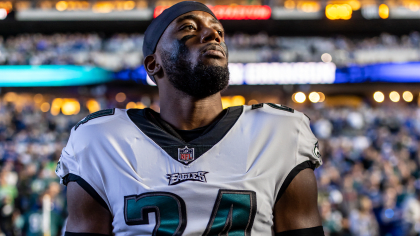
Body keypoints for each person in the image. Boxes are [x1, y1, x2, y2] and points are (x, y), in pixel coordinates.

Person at [55, 1, 324, 235]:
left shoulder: (280, 131)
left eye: (219, 31)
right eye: (189, 28)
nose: (212, 35)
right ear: (153, 64)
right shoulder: (99, 139)